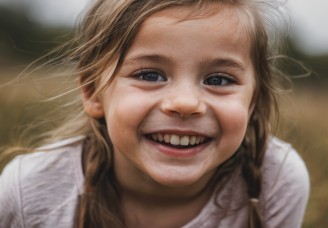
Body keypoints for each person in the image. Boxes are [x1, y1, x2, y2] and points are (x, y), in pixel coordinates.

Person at [0, 0, 310, 227]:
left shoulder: (277, 181)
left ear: (252, 101)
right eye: (150, 75)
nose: (186, 103)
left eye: (219, 80)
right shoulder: (29, 190)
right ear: (93, 92)